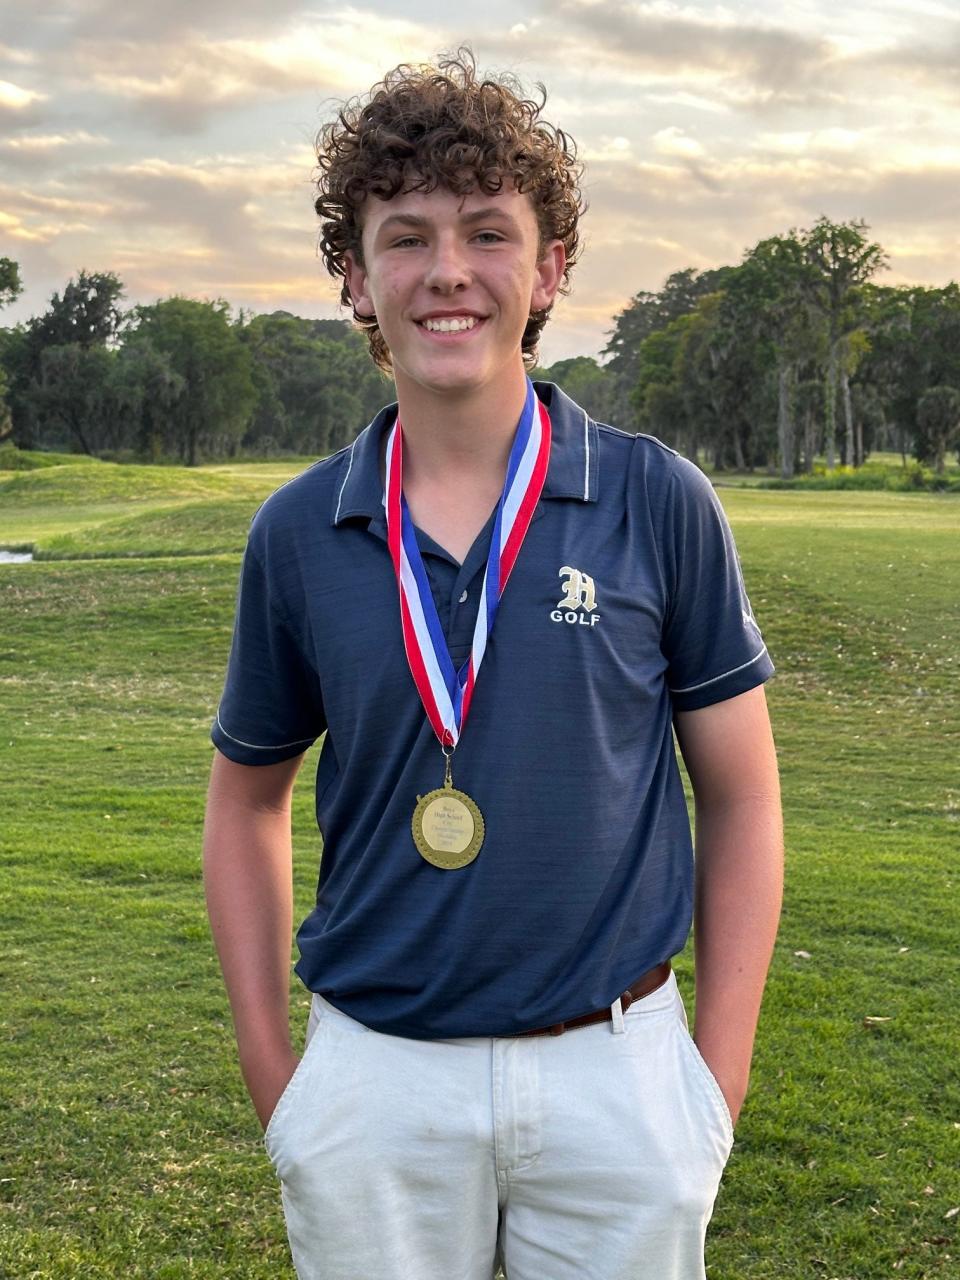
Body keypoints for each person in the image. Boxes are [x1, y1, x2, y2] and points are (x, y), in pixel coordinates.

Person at [203, 47, 783, 1280]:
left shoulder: (653, 497)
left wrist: (706, 1089)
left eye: (487, 231)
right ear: (355, 278)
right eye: (404, 238)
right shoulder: (301, 530)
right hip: (376, 1081)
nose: (447, 271)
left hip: (618, 1074)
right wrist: (286, 1083)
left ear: (550, 266)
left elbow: (740, 793)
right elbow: (246, 796)